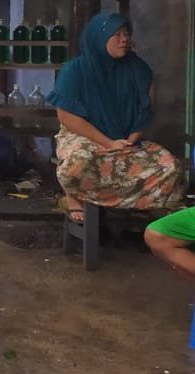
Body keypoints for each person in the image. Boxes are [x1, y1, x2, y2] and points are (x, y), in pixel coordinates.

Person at [48, 12, 183, 223]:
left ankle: (124, 204)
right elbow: (66, 116)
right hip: (86, 136)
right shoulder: (75, 70)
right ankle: (74, 197)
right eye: (117, 34)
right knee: (76, 164)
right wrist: (107, 142)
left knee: (169, 166)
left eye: (126, 34)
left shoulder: (138, 69)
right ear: (99, 39)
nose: (125, 39)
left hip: (125, 139)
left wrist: (132, 138)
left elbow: (147, 109)